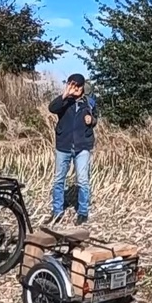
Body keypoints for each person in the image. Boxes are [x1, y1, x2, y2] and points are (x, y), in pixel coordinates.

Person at [47, 73, 97, 225]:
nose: (74, 88)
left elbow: (95, 119)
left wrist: (91, 120)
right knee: (58, 180)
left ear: (82, 88)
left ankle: (82, 212)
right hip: (63, 145)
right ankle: (57, 212)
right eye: (71, 84)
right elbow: (52, 108)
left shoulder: (89, 102)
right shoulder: (63, 101)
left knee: (82, 180)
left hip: (82, 146)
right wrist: (65, 94)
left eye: (77, 86)